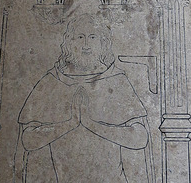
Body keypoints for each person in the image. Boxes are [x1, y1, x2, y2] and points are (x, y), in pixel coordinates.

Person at [14, 13, 155, 182]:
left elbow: (140, 138)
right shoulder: (52, 81)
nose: (86, 45)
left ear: (102, 43)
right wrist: (70, 124)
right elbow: (28, 140)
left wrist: (91, 124)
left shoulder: (116, 80)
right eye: (80, 37)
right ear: (69, 42)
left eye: (93, 37)